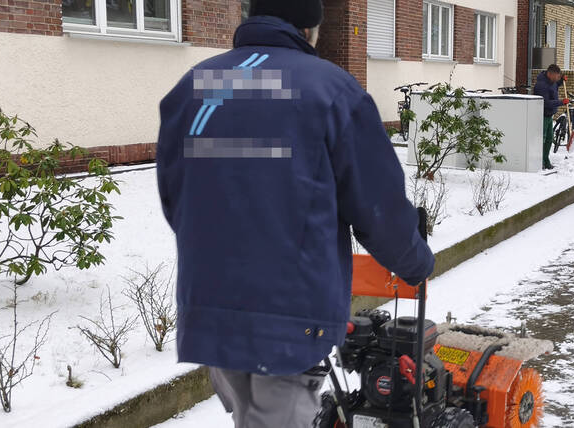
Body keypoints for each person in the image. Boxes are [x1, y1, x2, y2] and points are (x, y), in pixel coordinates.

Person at [155, 0, 435, 426]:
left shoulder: (196, 86)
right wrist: (415, 262)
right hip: (288, 317)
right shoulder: (332, 90)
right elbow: (377, 208)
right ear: (310, 29)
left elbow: (176, 196)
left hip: (212, 310)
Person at [533, 64, 570, 170]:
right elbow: (545, 103)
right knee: (542, 139)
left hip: (549, 116)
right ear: (550, 74)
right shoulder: (541, 85)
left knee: (549, 139)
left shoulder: (551, 81)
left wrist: (561, 81)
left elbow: (554, 85)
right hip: (542, 116)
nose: (558, 78)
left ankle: (546, 160)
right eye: (557, 76)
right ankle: (540, 162)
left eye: (559, 76)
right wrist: (561, 102)